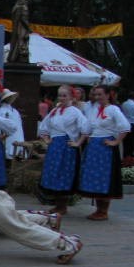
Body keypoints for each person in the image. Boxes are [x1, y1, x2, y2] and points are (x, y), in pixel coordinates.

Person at [77, 85, 130, 220]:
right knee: (95, 176)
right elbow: (87, 127)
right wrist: (83, 140)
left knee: (105, 176)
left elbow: (125, 126)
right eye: (95, 94)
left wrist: (116, 141)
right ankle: (98, 209)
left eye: (100, 94)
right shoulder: (94, 110)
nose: (97, 97)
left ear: (107, 95)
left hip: (105, 147)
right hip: (94, 146)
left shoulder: (113, 109)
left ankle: (104, 210)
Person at [39, 85, 90, 215]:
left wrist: (78, 142)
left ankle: (62, 206)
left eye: (64, 95)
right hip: (55, 146)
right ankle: (58, 205)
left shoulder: (74, 111)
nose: (61, 98)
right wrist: (46, 139)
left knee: (63, 174)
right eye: (60, 95)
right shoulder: (55, 111)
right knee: (54, 173)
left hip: (66, 147)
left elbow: (85, 127)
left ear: (71, 97)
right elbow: (44, 126)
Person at [0, 89, 25, 160]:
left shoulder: (14, 111)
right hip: (8, 138)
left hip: (16, 137)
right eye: (9, 97)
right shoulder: (1, 111)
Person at [120, 92, 134, 158]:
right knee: (133, 142)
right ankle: (132, 156)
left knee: (126, 142)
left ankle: (125, 156)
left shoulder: (124, 104)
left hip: (126, 123)